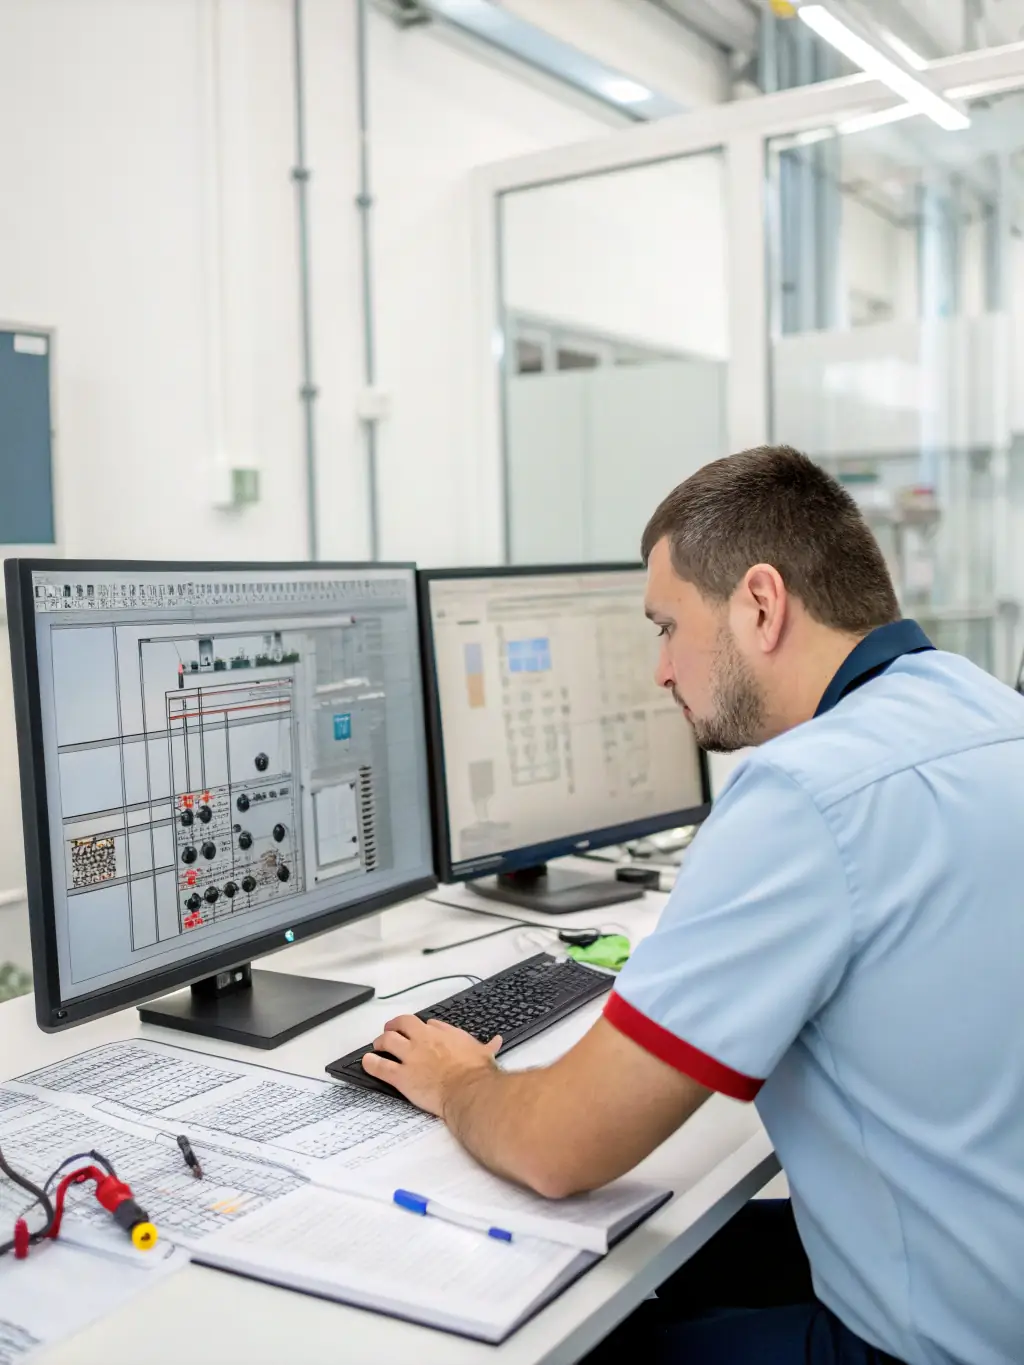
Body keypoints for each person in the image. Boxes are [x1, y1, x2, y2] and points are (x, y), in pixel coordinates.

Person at [363, 445, 1024, 1365]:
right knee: (675, 1250)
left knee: (571, 1336)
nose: (661, 671)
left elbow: (562, 1149)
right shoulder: (984, 707)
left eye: (667, 626)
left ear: (760, 603)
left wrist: (459, 1078)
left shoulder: (804, 792)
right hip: (994, 1266)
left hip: (936, 1343)